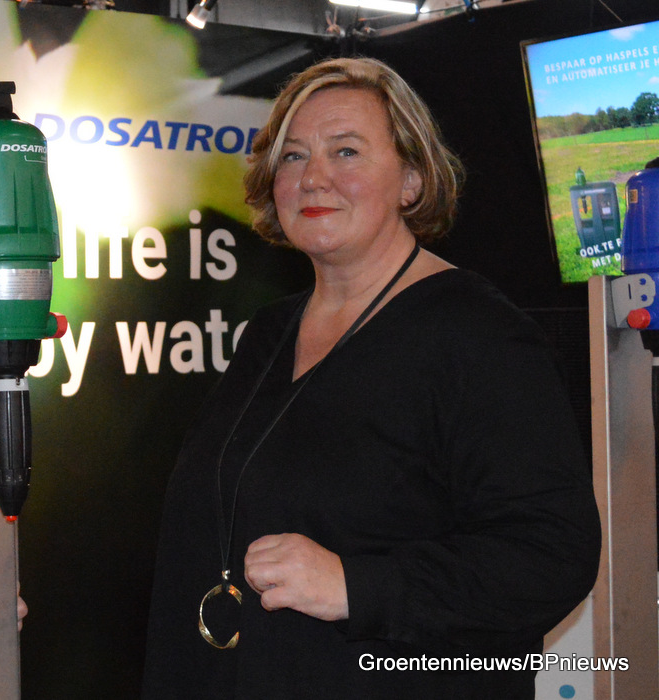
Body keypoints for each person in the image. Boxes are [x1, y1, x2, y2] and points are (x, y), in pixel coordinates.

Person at [142, 58, 600, 698]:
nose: (313, 177)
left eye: (346, 151)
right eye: (293, 156)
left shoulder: (478, 334)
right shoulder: (270, 332)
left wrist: (356, 587)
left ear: (412, 179)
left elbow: (552, 554)